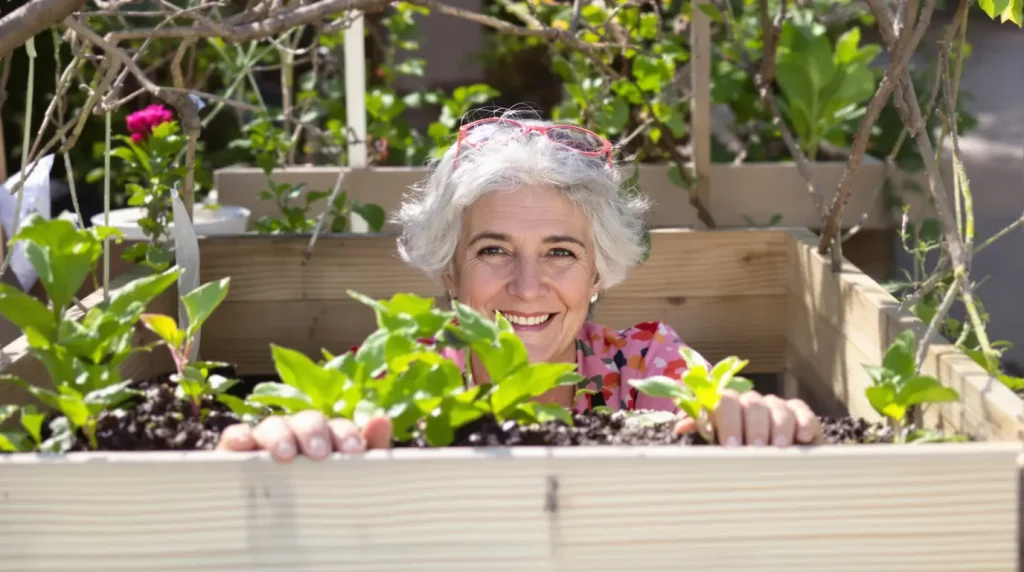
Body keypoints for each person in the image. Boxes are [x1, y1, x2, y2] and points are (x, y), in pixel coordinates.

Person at [217, 111, 824, 461]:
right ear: (449, 271)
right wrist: (293, 435)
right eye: (493, 250)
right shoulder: (393, 373)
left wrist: (749, 416)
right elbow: (298, 424)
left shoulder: (645, 365)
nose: (527, 287)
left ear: (597, 273)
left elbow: (719, 410)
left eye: (560, 252)